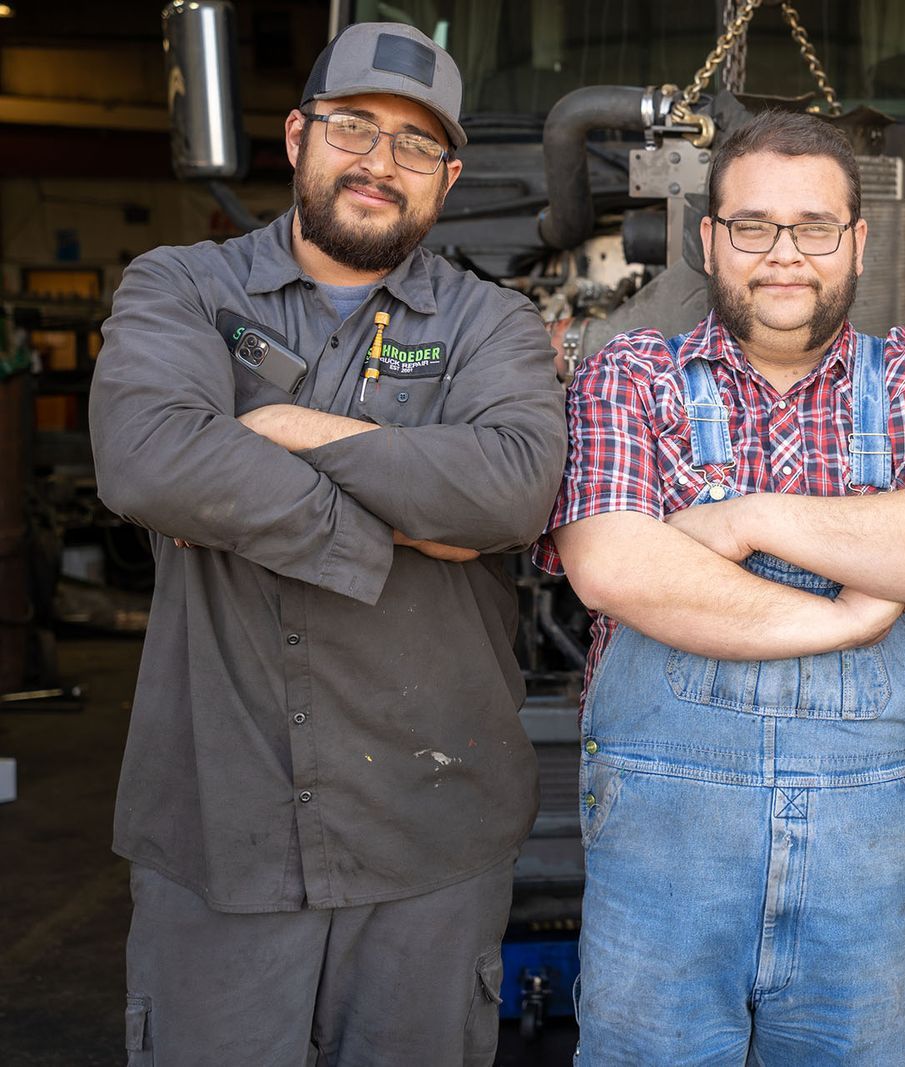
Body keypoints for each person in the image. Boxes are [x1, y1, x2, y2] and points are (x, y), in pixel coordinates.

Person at [90, 23, 565, 1066]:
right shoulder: (181, 287)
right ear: (300, 133)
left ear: (447, 178)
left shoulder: (495, 326)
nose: (378, 164)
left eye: (414, 146)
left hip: (428, 832)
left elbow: (511, 492)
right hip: (221, 824)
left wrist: (285, 432)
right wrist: (392, 528)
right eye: (354, 126)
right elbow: (149, 459)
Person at [536, 109, 905, 1065]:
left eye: (813, 228)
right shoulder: (631, 376)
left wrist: (749, 519)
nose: (783, 255)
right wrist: (846, 615)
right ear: (710, 239)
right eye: (753, 226)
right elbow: (613, 566)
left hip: (865, 881)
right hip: (665, 869)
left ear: (858, 240)